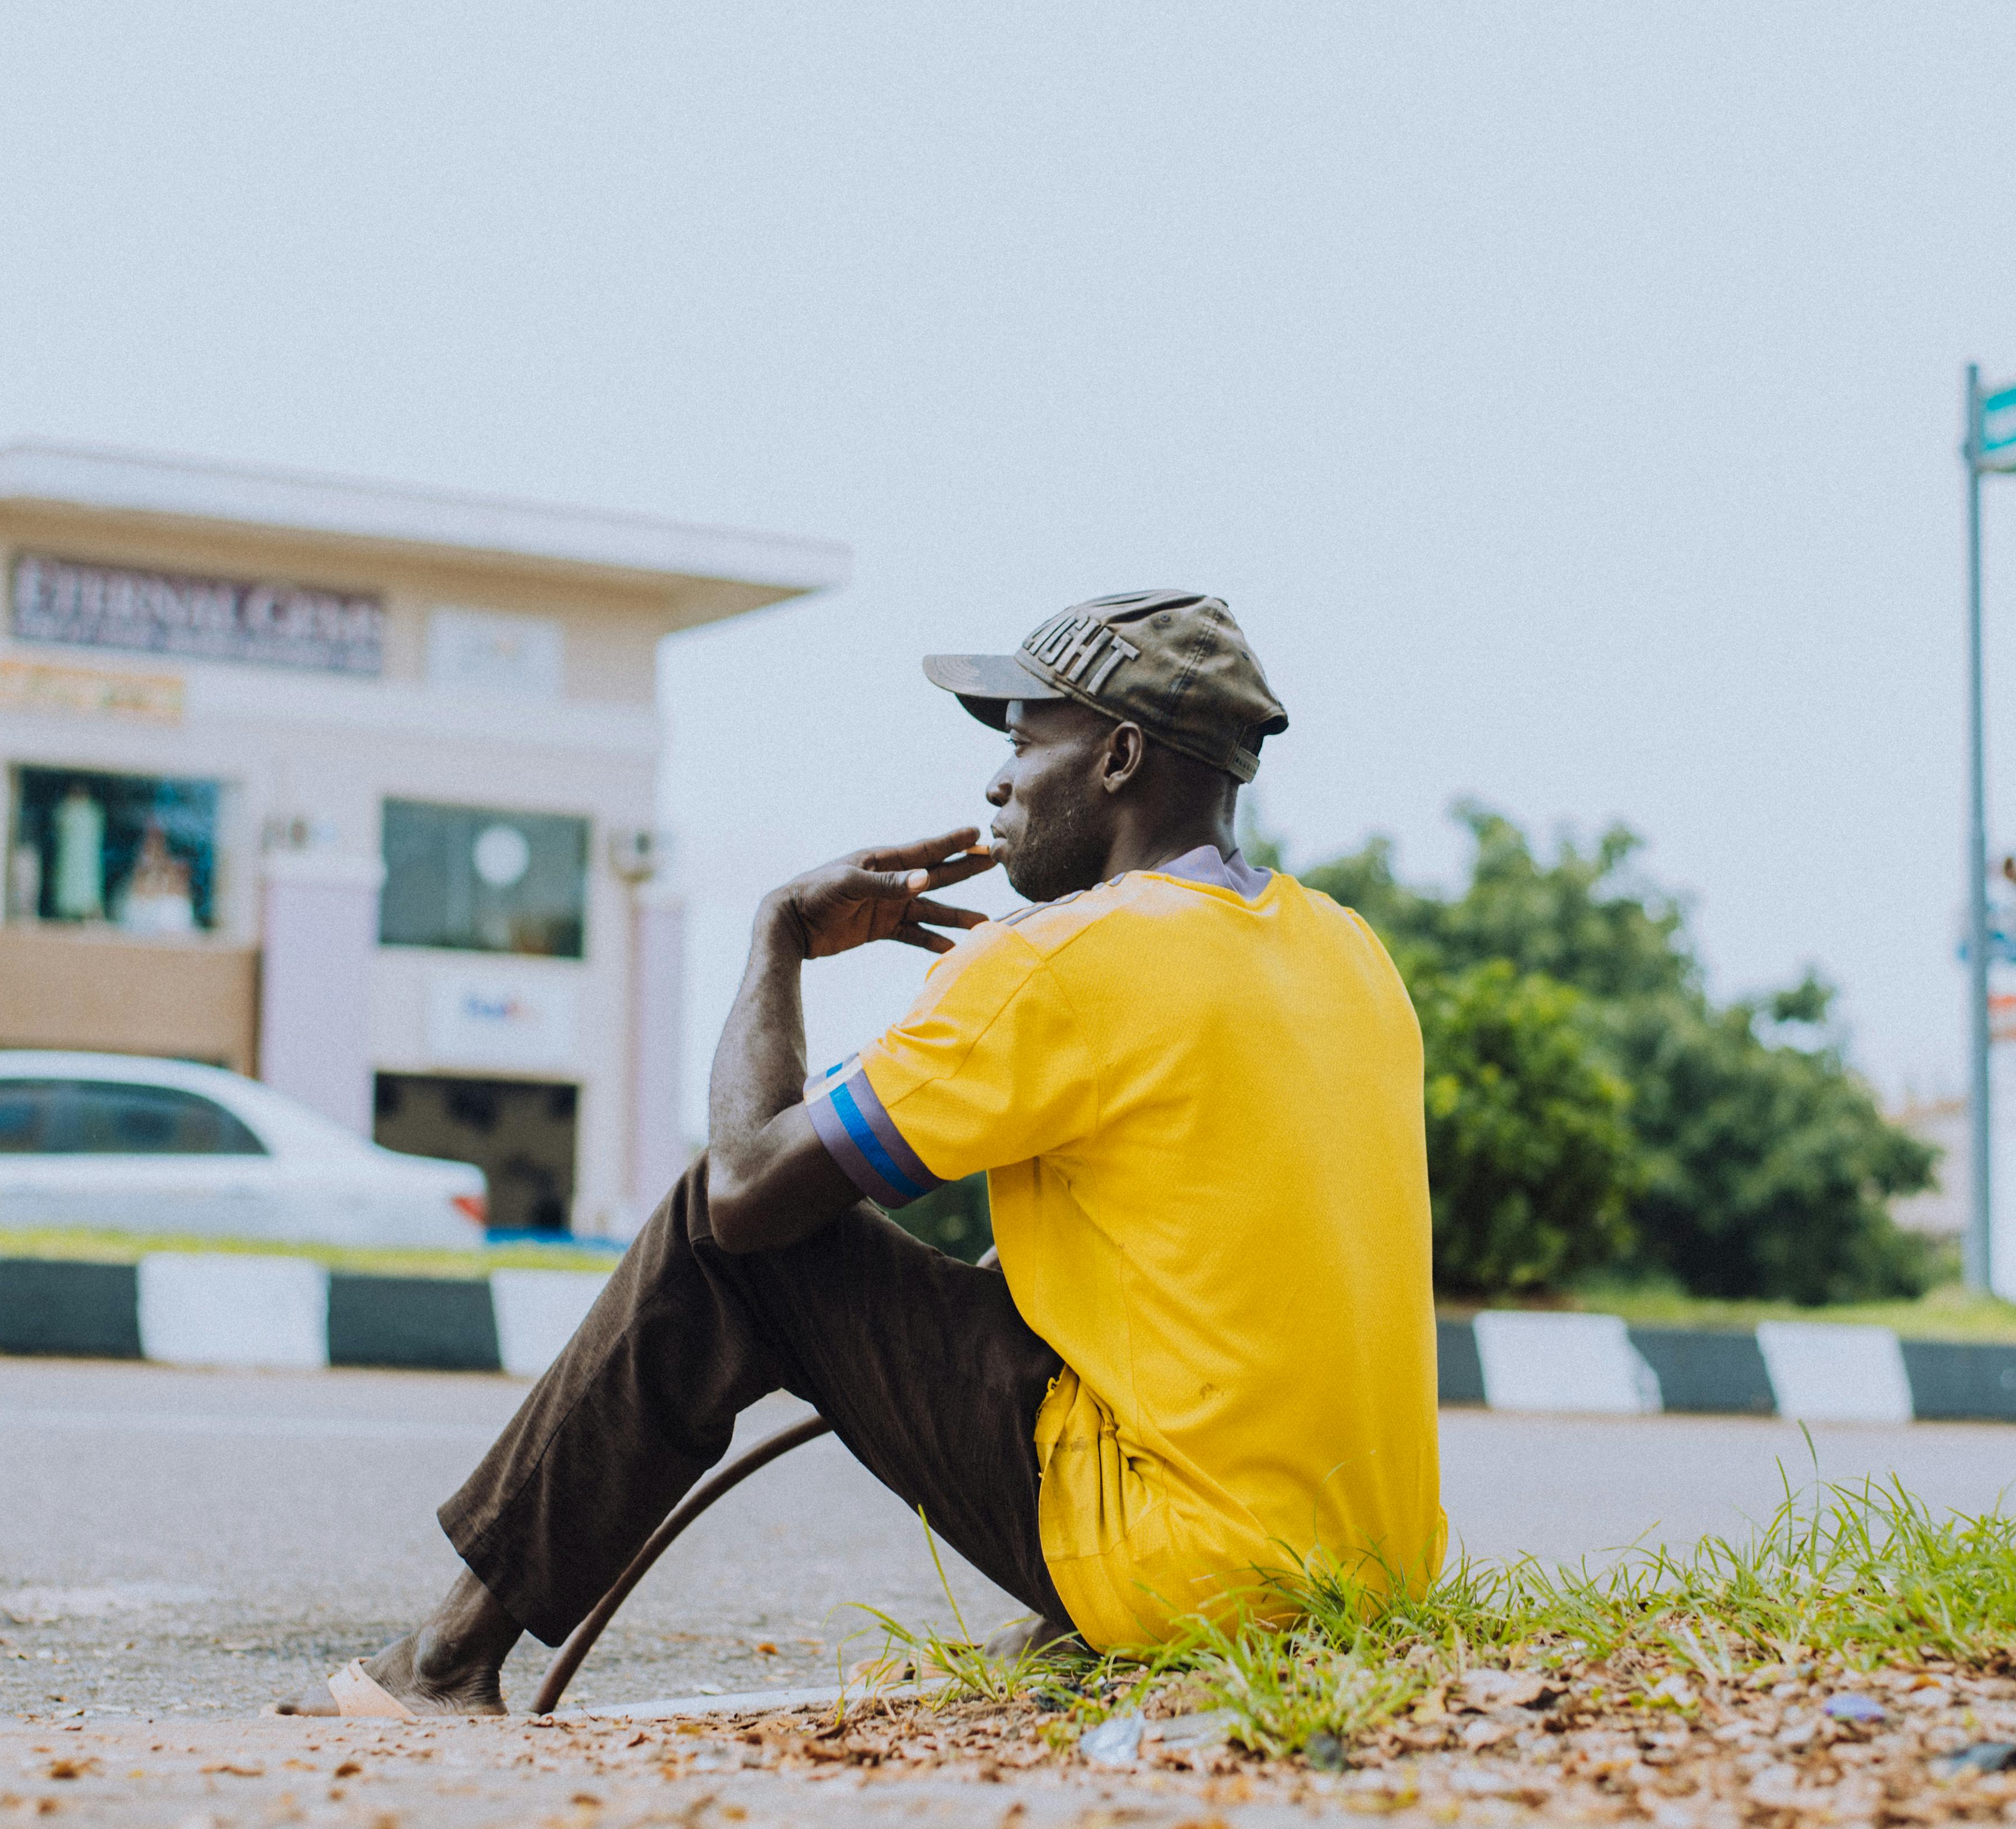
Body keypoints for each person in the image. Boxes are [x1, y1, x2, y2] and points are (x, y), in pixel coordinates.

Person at [282, 590, 1439, 1717]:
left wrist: (775, 940)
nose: (994, 781)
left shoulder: (1067, 960)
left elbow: (743, 1194)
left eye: (1023, 741)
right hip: (1369, 1574)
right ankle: (1087, 1621)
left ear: (1120, 759)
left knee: (721, 1232)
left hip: (1193, 1574)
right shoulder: (1346, 955)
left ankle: (441, 1658)